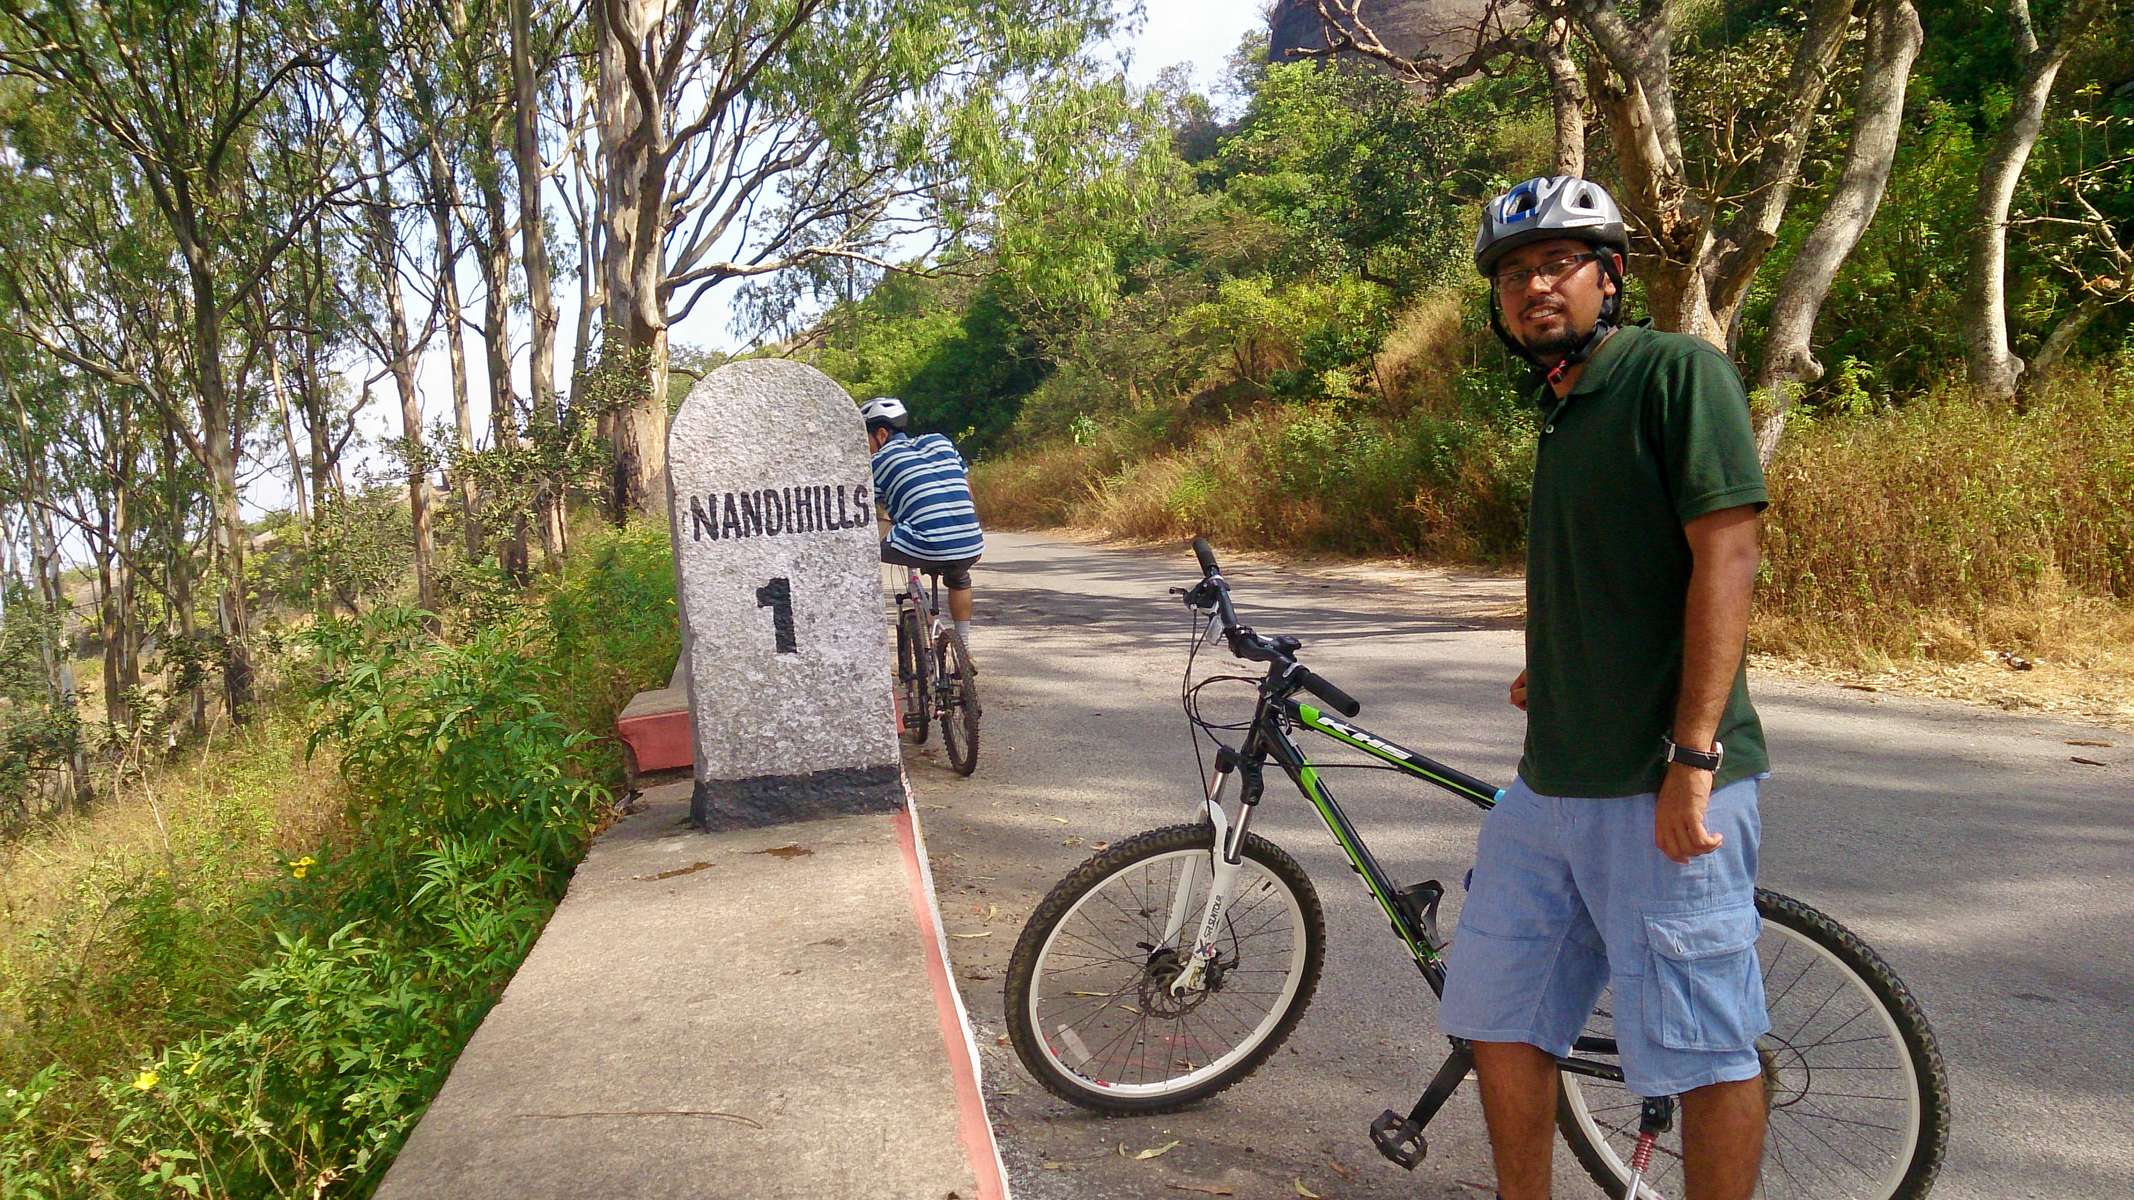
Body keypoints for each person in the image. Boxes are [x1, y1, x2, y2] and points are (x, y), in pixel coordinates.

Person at [1438, 176, 1774, 1200]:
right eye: (1512, 274)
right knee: (1495, 1011)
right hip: (1549, 789)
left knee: (1702, 1047)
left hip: (1660, 782)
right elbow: (1616, 562)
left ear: (1608, 278)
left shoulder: (1675, 374)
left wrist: (1693, 754)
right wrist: (1555, 664)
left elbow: (1727, 553)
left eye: (1556, 264)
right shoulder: (1558, 410)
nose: (1533, 286)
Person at [859, 396, 984, 648]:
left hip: (922, 545)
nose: (866, 448)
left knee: (867, 533)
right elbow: (969, 493)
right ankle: (965, 649)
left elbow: (863, 510)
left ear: (881, 433)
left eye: (865, 440)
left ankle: (924, 625)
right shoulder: (941, 441)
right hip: (970, 541)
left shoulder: (878, 462)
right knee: (959, 578)